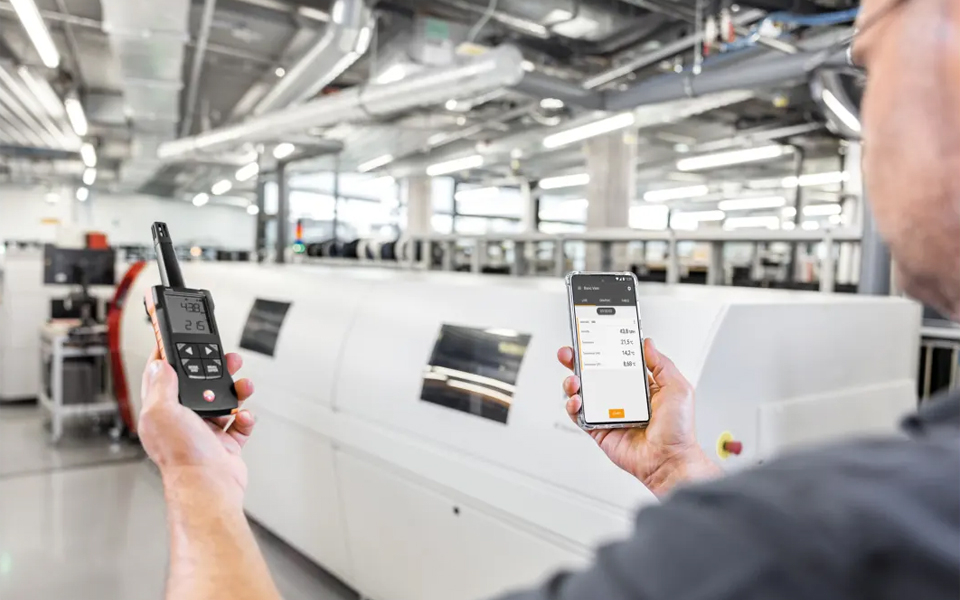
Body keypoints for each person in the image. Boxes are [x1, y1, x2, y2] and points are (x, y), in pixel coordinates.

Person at [138, 0, 959, 598]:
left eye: (867, 65)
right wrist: (678, 466)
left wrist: (198, 479)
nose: (860, 121)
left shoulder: (800, 547)